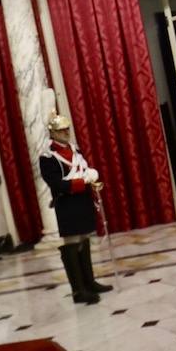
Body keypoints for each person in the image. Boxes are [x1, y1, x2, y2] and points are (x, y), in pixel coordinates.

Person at [39, 114, 113, 305]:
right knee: (72, 243)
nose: (66, 133)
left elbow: (84, 169)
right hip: (67, 203)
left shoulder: (75, 150)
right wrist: (82, 182)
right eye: (62, 130)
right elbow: (56, 184)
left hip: (82, 200)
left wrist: (90, 179)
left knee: (84, 239)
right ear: (53, 133)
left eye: (67, 129)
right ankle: (78, 291)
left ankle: (89, 281)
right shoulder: (47, 157)